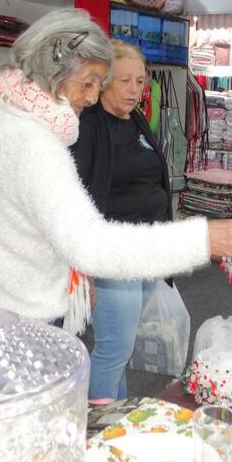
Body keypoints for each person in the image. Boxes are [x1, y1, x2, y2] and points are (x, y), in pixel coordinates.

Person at [0, 8, 232, 337]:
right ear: (54, 71)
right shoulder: (33, 143)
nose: (93, 97)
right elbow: (91, 244)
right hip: (14, 321)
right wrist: (206, 239)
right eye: (89, 81)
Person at [71, 41, 170, 401]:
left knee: (122, 348)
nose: (134, 90)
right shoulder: (90, 124)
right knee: (115, 347)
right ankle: (96, 429)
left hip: (145, 249)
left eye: (140, 82)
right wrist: (85, 264)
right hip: (112, 252)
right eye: (125, 80)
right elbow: (76, 194)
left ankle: (120, 417)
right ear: (105, 82)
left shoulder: (136, 119)